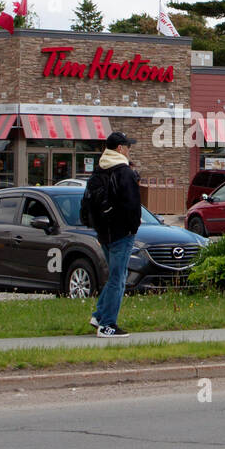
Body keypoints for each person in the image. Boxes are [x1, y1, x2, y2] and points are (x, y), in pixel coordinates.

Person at [88, 132, 142, 337]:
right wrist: (133, 227)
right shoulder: (124, 172)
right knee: (118, 279)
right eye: (127, 147)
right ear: (120, 149)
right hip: (122, 233)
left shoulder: (99, 170)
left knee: (114, 276)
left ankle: (99, 314)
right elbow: (131, 205)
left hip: (104, 232)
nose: (129, 150)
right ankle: (107, 325)